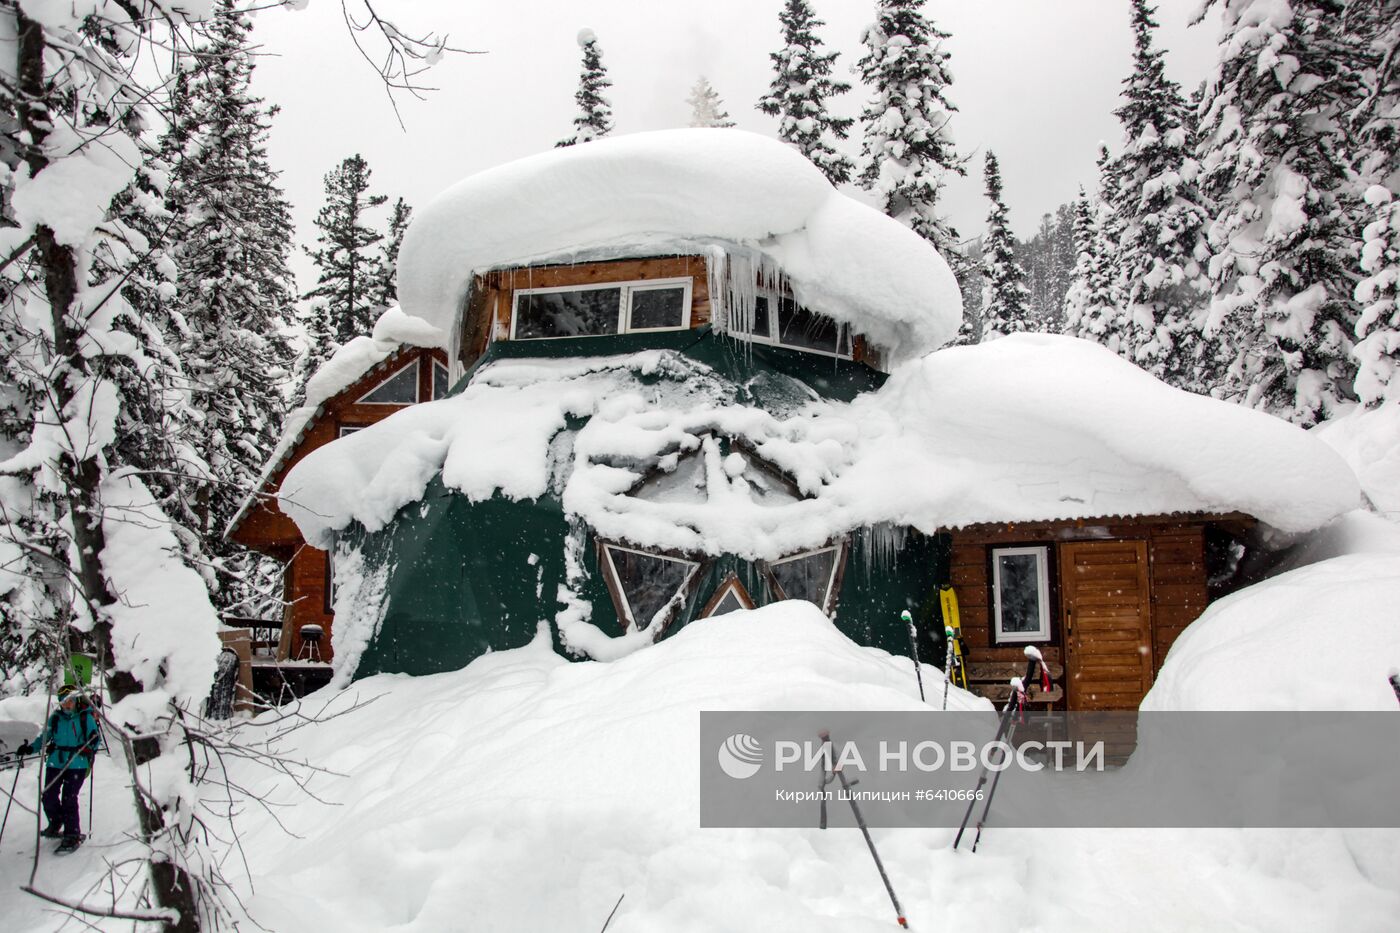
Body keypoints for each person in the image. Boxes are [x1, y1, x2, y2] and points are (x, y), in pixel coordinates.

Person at [19, 684, 102, 853]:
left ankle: (72, 835)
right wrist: (30, 748)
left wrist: (92, 744)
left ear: (76, 700)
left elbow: (95, 739)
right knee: (48, 795)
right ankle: (57, 821)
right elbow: (45, 737)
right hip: (56, 761)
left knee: (69, 798)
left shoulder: (86, 717)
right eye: (64, 702)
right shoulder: (56, 718)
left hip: (77, 763)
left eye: (70, 701)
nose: (67, 705)